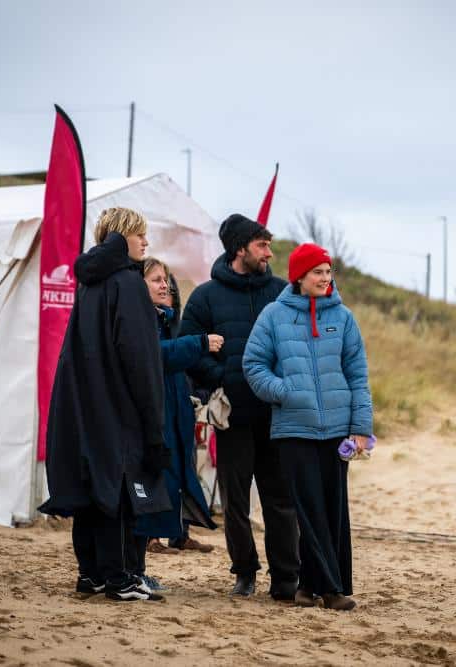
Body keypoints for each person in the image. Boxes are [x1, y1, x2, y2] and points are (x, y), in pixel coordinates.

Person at [38, 207, 170, 603]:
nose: (145, 242)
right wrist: (153, 424)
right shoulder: (127, 283)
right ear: (121, 236)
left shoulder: (89, 283)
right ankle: (119, 578)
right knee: (120, 490)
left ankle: (91, 574)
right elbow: (140, 359)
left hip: (85, 405)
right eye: (139, 234)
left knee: (93, 488)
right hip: (119, 406)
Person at [243, 243, 373, 611]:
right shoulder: (274, 315)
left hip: (337, 429)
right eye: (318, 272)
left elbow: (358, 375)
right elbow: (253, 364)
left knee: (332, 509)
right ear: (299, 276)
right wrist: (284, 391)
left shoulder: (344, 317)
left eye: (328, 272)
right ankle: (331, 590)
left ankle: (306, 587)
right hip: (293, 429)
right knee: (310, 508)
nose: (325, 278)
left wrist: (361, 427)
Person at [180, 214, 300, 599]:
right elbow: (189, 350)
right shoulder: (205, 297)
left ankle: (286, 579)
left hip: (277, 415)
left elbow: (300, 346)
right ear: (239, 248)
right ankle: (244, 572)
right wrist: (223, 377)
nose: (269, 253)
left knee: (281, 500)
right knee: (235, 503)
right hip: (233, 416)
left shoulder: (283, 293)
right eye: (262, 245)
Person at [136, 258, 222, 562]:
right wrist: (199, 344)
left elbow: (183, 369)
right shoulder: (140, 323)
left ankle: (177, 532)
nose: (165, 287)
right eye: (157, 280)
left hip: (178, 411)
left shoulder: (168, 321)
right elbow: (155, 356)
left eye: (166, 282)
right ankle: (149, 539)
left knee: (180, 473)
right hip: (156, 416)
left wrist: (199, 393)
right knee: (155, 477)